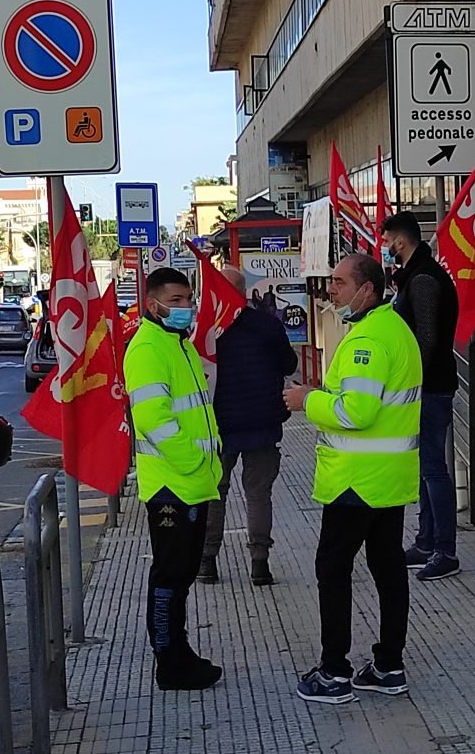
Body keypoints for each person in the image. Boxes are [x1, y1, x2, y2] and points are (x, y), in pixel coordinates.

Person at [284, 253, 421, 705]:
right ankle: (388, 665)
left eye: (340, 283)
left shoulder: (367, 341)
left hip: (355, 482)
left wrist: (308, 400)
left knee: (334, 571)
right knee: (387, 569)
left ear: (368, 289)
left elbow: (355, 412)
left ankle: (334, 673)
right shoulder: (394, 330)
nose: (332, 291)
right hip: (386, 479)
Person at [124, 268, 223, 691]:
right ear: (153, 305)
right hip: (172, 485)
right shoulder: (147, 348)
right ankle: (170, 662)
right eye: (177, 300)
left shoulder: (174, 343)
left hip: (191, 481)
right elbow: (153, 420)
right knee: (169, 576)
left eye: (188, 299)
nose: (187, 308)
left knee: (180, 577)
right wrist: (192, 461)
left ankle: (179, 654)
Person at [198, 267, 298, 586]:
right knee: (258, 494)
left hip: (219, 425)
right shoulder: (266, 324)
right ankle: (259, 563)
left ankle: (207, 561)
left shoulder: (206, 330)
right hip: (263, 425)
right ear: (243, 291)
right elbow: (289, 364)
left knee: (215, 492)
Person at [381, 211, 461, 581]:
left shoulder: (424, 278)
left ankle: (445, 550)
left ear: (400, 240)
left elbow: (426, 340)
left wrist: (409, 382)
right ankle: (426, 542)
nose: (385, 248)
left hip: (429, 388)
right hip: (425, 387)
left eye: (387, 241)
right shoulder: (413, 276)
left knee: (432, 469)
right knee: (425, 469)